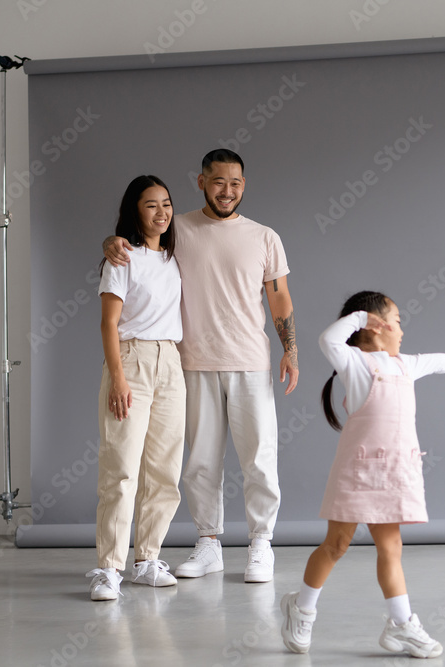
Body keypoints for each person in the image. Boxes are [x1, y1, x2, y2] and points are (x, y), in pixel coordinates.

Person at [103, 149, 297, 583]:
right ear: (201, 181)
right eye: (218, 182)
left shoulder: (265, 236)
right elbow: (137, 247)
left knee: (259, 458)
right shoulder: (179, 229)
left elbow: (279, 297)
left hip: (250, 361)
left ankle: (260, 544)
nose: (228, 191)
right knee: (200, 463)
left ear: (244, 185)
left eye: (236, 183)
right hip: (191, 362)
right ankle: (209, 543)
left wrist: (291, 349)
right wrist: (110, 242)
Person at [280, 291, 445, 657]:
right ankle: (300, 609)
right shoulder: (354, 362)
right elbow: (326, 339)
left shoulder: (405, 364)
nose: (402, 330)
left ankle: (400, 625)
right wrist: (362, 318)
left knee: (391, 547)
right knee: (336, 545)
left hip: (395, 471)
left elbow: (436, 361)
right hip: (358, 471)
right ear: (375, 327)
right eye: (396, 321)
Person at [87, 175, 186, 601]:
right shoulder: (121, 258)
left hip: (171, 363)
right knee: (122, 469)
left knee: (164, 471)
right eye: (151, 205)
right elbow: (109, 322)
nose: (161, 212)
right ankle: (109, 568)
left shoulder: (175, 257)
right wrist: (119, 377)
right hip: (131, 359)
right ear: (135, 210)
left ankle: (146, 560)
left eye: (166, 203)